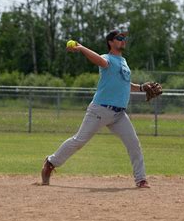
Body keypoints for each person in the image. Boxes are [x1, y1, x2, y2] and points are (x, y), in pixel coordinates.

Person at [41, 29, 162, 188]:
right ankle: (50, 162)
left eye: (124, 38)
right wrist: (81, 48)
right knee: (79, 141)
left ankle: (141, 179)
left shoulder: (123, 61)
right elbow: (99, 60)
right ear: (110, 42)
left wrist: (141, 88)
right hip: (100, 110)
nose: (122, 40)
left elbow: (124, 85)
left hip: (118, 114)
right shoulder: (107, 58)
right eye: (119, 38)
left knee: (134, 143)